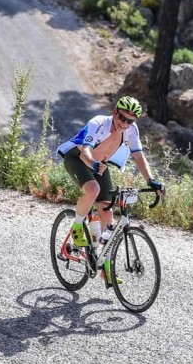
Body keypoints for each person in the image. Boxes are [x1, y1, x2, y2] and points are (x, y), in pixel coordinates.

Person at [57, 96, 164, 270]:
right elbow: (85, 151)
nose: (124, 123)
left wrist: (151, 180)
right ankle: (77, 226)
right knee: (93, 190)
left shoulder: (131, 130)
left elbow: (138, 156)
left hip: (100, 165)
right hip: (78, 159)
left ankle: (106, 267)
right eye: (122, 117)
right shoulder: (98, 123)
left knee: (107, 212)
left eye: (130, 121)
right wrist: (93, 164)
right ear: (115, 112)